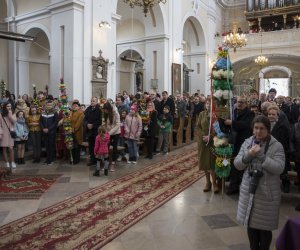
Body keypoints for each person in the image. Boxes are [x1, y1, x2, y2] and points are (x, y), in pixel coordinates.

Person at [234, 115, 285, 250]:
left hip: (267, 192)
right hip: (249, 189)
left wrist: (262, 156)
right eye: (256, 128)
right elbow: (237, 165)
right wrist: (249, 155)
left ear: (268, 130)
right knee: (251, 225)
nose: (258, 131)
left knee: (264, 228)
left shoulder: (276, 146)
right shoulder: (247, 142)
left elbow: (279, 168)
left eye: (262, 128)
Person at [196, 97, 219, 193]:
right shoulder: (202, 114)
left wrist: (210, 136)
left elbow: (219, 129)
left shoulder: (216, 115)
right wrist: (203, 136)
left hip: (213, 141)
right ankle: (207, 182)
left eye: (210, 103)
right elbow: (198, 127)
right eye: (207, 103)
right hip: (202, 141)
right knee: (204, 162)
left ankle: (214, 182)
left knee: (212, 162)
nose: (208, 105)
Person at [103, 101, 120, 172]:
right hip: (108, 132)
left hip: (116, 132)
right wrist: (104, 129)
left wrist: (109, 133)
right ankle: (106, 163)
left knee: (114, 147)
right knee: (106, 147)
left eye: (106, 110)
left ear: (109, 109)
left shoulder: (116, 113)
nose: (105, 111)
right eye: (104, 110)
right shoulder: (105, 113)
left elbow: (117, 125)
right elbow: (104, 122)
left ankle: (113, 163)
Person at [84, 97, 102, 166]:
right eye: (91, 101)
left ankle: (98, 160)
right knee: (91, 146)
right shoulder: (88, 109)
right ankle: (92, 160)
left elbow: (100, 120)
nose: (92, 102)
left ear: (97, 102)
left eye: (93, 101)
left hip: (96, 130)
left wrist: (93, 125)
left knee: (97, 146)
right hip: (89, 131)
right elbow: (85, 118)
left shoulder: (99, 109)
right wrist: (87, 124)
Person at [40, 100, 58, 165]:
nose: (49, 106)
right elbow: (41, 121)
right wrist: (43, 128)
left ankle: (51, 159)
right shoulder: (43, 112)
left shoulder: (55, 112)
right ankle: (47, 159)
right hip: (44, 132)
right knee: (46, 146)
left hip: (51, 132)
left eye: (50, 105)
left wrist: (49, 129)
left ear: (52, 105)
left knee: (51, 146)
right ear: (46, 105)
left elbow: (55, 122)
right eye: (48, 105)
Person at [0, 102, 17, 169]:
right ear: (4, 107)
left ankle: (12, 162)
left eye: (10, 106)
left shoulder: (13, 113)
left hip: (11, 133)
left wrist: (10, 115)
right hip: (3, 133)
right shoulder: (1, 114)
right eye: (7, 106)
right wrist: (0, 133)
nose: (9, 107)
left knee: (11, 148)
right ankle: (6, 162)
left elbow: (14, 122)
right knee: (4, 148)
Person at [70, 100, 84, 164]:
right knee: (72, 146)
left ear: (78, 107)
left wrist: (73, 129)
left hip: (77, 132)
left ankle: (76, 159)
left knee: (77, 147)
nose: (74, 107)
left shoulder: (81, 113)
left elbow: (78, 123)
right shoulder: (71, 112)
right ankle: (72, 159)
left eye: (76, 106)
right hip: (70, 132)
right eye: (73, 106)